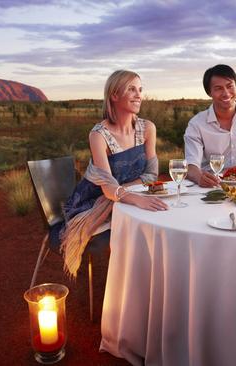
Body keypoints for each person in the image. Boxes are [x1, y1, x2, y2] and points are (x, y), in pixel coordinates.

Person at [58, 70, 168, 277]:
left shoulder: (147, 128)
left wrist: (126, 193)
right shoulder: (98, 135)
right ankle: (126, 286)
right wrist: (131, 196)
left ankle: (149, 280)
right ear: (114, 95)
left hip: (126, 194)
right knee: (138, 229)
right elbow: (107, 188)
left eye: (140, 90)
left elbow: (152, 173)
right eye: (131, 89)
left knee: (158, 219)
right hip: (92, 202)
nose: (138, 95)